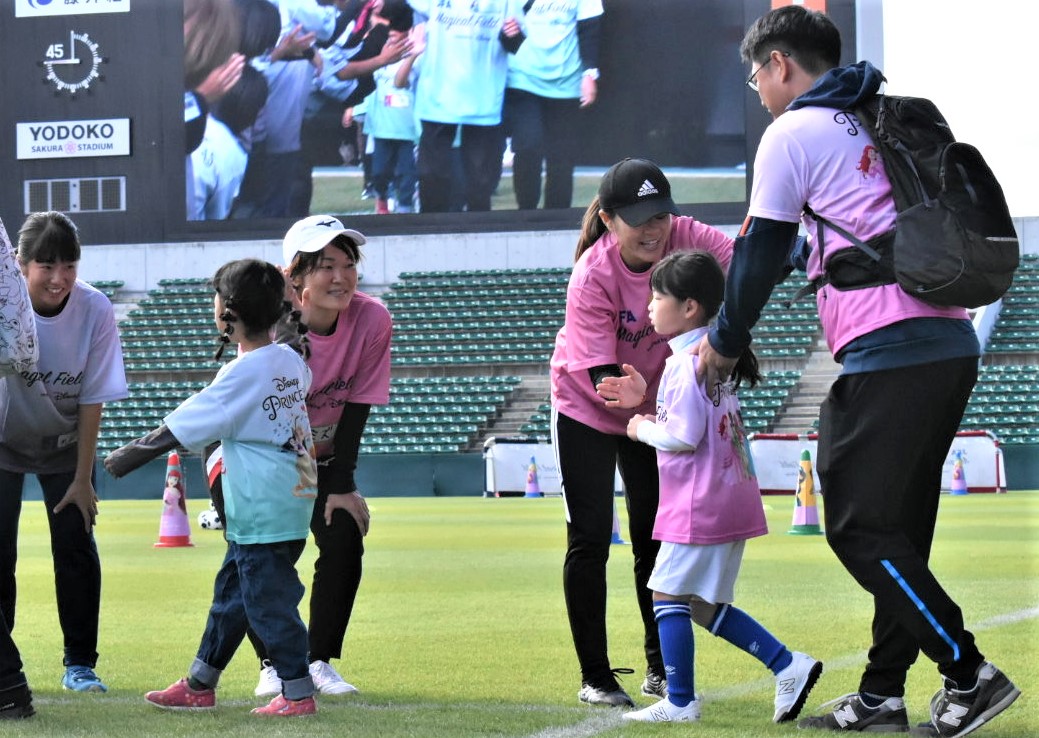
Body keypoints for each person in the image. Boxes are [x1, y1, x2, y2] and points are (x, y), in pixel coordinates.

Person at [694, 6, 1020, 736]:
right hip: (945, 339)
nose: (757, 90)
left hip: (888, 347)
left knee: (853, 522)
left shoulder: (791, 133)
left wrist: (721, 339)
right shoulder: (871, 115)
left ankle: (967, 674)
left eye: (755, 76)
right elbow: (804, 247)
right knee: (896, 528)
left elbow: (757, 250)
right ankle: (880, 696)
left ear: (779, 63)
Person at [595, 251, 821, 724]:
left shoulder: (682, 363)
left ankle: (680, 701)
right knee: (701, 605)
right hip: (730, 497)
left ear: (690, 307)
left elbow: (682, 435)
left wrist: (638, 427)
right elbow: (692, 420)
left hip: (698, 503)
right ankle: (788, 665)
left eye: (658, 297)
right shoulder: (712, 355)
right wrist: (650, 404)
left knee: (665, 596)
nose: (650, 307)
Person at [549, 158, 733, 706]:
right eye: (637, 219)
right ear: (608, 219)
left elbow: (743, 269)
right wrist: (628, 400)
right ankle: (596, 677)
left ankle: (660, 669)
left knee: (656, 540)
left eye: (660, 215)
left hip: (651, 411)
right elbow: (597, 371)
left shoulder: (686, 235)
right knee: (589, 539)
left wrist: (726, 334)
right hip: (586, 406)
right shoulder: (593, 273)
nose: (654, 229)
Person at [104, 259, 320, 718]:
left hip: (261, 509)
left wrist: (121, 459)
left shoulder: (243, 374)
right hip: (289, 503)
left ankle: (298, 693)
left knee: (267, 602)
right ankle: (201, 683)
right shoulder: (286, 359)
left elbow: (180, 428)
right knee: (234, 596)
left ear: (228, 313)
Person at [247, 215, 392, 698]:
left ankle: (318, 660)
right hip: (256, 451)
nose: (340, 277)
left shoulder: (372, 319)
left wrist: (340, 485)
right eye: (325, 265)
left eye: (348, 264)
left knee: (345, 535)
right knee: (264, 555)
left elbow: (358, 404)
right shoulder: (268, 319)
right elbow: (262, 414)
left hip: (322, 455)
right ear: (295, 276)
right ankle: (272, 661)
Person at [0, 212, 128, 697]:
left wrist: (82, 478)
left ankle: (80, 664)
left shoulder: (94, 308)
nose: (59, 278)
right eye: (45, 265)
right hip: (3, 441)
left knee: (74, 550)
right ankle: (3, 663)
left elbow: (92, 397)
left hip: (65, 446)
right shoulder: (3, 306)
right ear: (19, 264)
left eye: (68, 265)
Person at [407, 0, 526, 212]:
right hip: (439, 93)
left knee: (480, 183)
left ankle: (479, 238)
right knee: (432, 176)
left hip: (482, 96)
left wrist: (512, 33)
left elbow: (514, 44)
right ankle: (428, 233)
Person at [503, 0, 602, 210]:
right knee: (528, 147)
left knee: (562, 158)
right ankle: (526, 214)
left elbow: (590, 28)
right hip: (523, 78)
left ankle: (557, 220)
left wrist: (589, 74)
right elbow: (500, 26)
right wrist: (508, 34)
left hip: (566, 81)